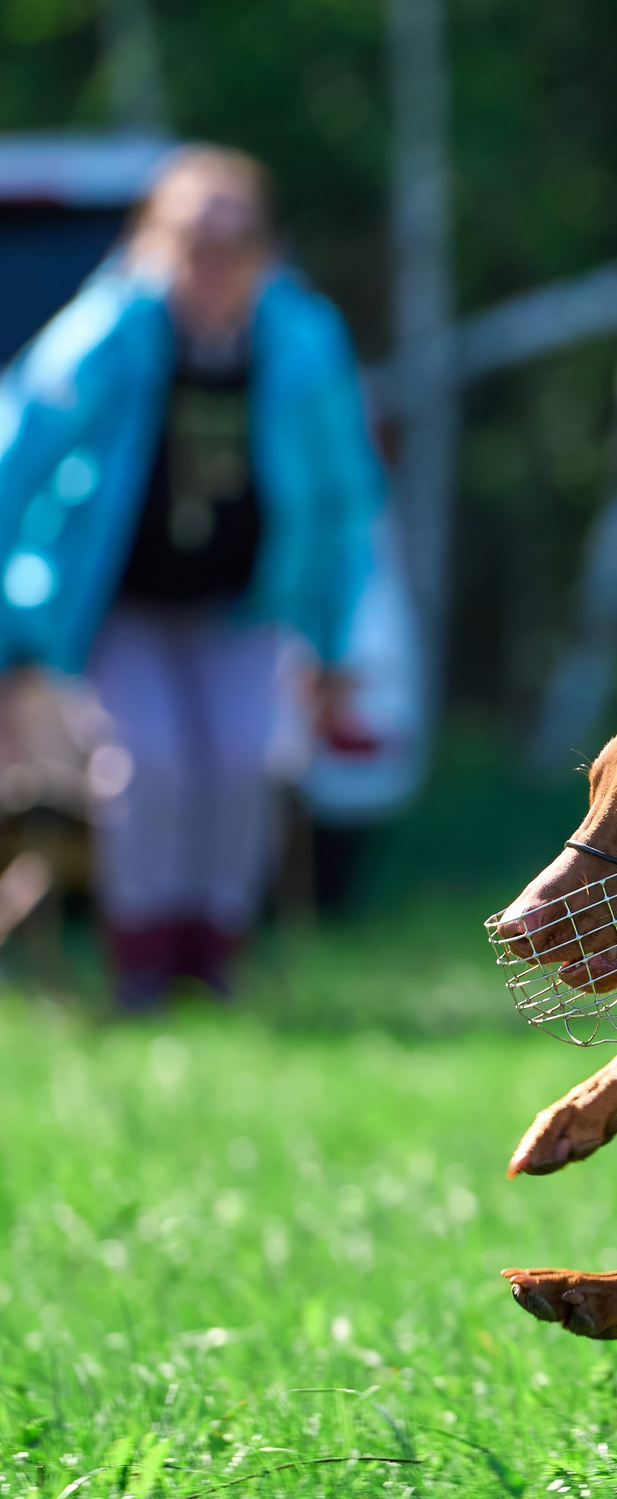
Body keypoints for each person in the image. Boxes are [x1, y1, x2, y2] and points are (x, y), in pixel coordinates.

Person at [0, 146, 383, 1008]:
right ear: (152, 242)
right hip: (121, 605)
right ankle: (140, 963)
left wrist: (330, 644)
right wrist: (9, 643)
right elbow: (13, 468)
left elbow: (341, 501)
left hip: (246, 601)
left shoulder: (302, 341)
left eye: (236, 240)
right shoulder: (107, 334)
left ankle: (210, 960)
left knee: (244, 761)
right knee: (155, 761)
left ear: (265, 248)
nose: (214, 262)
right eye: (192, 239)